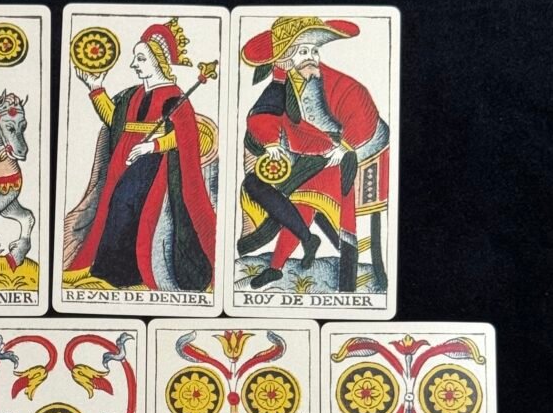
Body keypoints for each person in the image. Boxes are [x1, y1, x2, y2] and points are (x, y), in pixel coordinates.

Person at [62, 18, 216, 292]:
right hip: (125, 159)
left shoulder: (175, 97)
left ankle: (128, 275)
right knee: (114, 207)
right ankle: (107, 271)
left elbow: (185, 137)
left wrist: (152, 146)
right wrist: (96, 88)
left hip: (155, 164)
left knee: (127, 205)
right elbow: (116, 121)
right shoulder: (134, 94)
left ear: (158, 61)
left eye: (141, 58)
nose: (134, 64)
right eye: (135, 58)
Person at [238, 16, 389, 291]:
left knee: (306, 195)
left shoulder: (337, 82)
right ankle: (304, 243)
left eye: (314, 51)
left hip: (356, 149)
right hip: (311, 153)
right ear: (286, 57)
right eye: (303, 51)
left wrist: (345, 146)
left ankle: (277, 266)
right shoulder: (282, 83)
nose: (311, 57)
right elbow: (261, 117)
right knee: (254, 184)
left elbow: (363, 114)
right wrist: (271, 143)